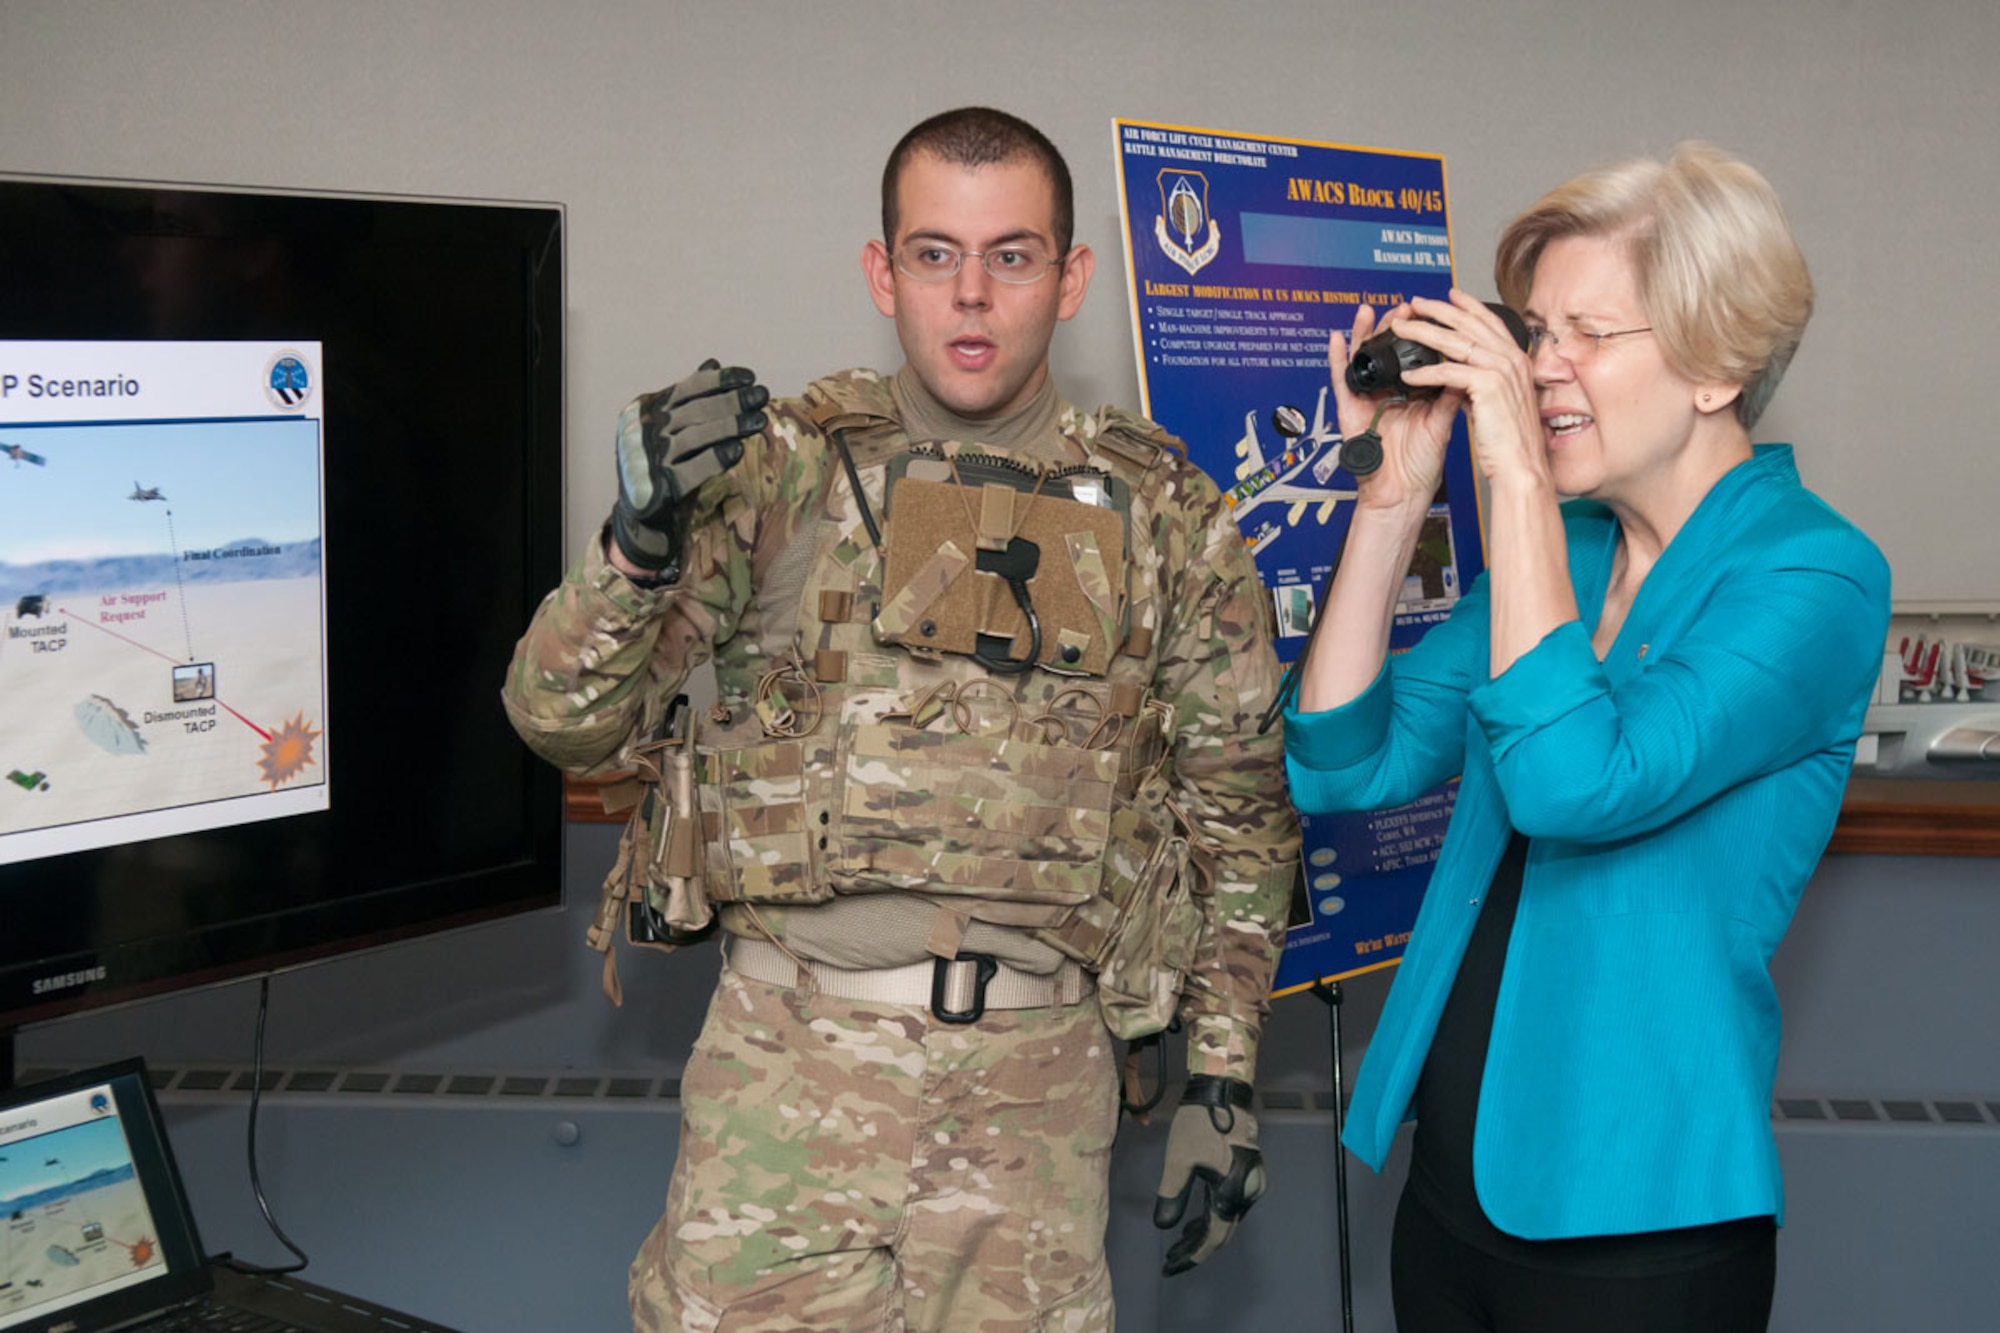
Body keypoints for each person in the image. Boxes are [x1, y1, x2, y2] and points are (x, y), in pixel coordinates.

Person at [503, 106, 1298, 1332]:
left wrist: (1224, 1073)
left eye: (1012, 255)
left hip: (1034, 1107)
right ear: (882, 273)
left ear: (1070, 276)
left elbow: (1236, 815)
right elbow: (560, 721)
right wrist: (636, 544)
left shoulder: (1172, 517)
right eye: (934, 254)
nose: (971, 295)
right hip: (788, 1079)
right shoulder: (778, 476)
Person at [1284, 143, 1890, 1332]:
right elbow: (1339, 760)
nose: (1538, 370)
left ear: (1715, 364)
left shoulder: (1810, 573)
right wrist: (1390, 499)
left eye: (1586, 335)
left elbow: (1573, 783)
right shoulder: (1565, 547)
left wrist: (1510, 473)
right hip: (1453, 1180)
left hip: (1634, 1219)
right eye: (1532, 332)